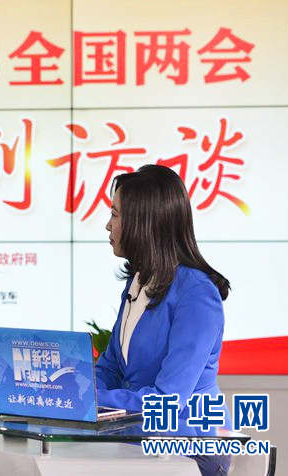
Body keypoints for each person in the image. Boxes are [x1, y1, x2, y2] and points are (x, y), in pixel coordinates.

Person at [96, 164, 231, 476]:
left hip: (192, 445)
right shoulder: (138, 282)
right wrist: (74, 395)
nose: (107, 225)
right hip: (139, 438)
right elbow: (111, 367)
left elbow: (169, 400)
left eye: (115, 215)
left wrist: (93, 400)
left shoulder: (197, 294)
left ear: (143, 222)